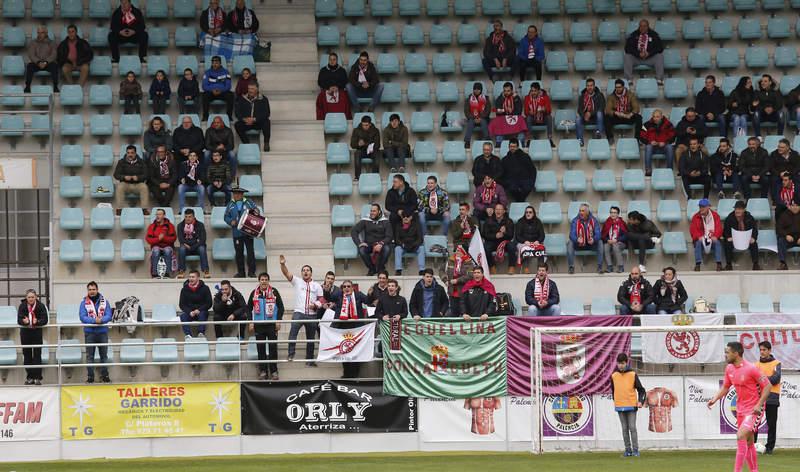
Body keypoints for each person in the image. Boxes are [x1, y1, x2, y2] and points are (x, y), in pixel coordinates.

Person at [707, 342, 771, 472]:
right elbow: (725, 387)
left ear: (736, 353)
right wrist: (714, 398)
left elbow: (768, 386)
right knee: (749, 442)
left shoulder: (751, 368)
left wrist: (759, 405)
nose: (725, 355)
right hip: (740, 409)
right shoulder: (729, 369)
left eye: (727, 352)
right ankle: (754, 470)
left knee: (740, 435)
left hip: (754, 410)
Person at [279, 255, 324, 366]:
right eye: (303, 270)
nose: (305, 272)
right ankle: (291, 354)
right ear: (301, 273)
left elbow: (321, 300)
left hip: (312, 315)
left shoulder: (317, 285)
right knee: (293, 333)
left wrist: (315, 305)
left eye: (307, 270)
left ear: (311, 273)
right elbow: (286, 274)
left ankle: (310, 360)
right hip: (299, 313)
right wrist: (282, 264)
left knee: (311, 339)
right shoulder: (297, 281)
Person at [247, 273, 284, 380]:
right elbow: (248, 308)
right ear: (259, 281)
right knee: (261, 349)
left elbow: (281, 308)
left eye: (266, 279)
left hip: (271, 325)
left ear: (268, 281)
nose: (264, 281)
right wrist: (251, 322)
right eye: (262, 279)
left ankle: (274, 371)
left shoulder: (274, 292)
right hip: (259, 325)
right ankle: (263, 371)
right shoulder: (254, 293)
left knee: (273, 348)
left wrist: (278, 321)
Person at [330, 279, 369, 378]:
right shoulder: (339, 295)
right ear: (342, 288)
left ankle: (355, 375)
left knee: (356, 351)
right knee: (344, 351)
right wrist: (328, 288)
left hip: (356, 328)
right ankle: (346, 374)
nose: (346, 288)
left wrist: (370, 294)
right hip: (342, 328)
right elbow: (329, 297)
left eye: (348, 286)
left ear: (352, 288)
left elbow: (368, 300)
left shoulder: (358, 295)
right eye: (344, 287)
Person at [611, 353, 647, 458]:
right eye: (619, 363)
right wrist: (616, 400)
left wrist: (640, 401)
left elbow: (641, 390)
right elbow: (613, 391)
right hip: (619, 406)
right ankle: (628, 450)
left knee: (632, 427)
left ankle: (636, 450)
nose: (620, 365)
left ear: (626, 363)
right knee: (624, 428)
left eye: (622, 363)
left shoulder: (632, 374)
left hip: (631, 405)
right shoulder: (614, 375)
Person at [79, 282, 113, 383]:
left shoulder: (105, 302)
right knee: (90, 357)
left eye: (93, 289)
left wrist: (101, 320)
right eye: (89, 290)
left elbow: (109, 315)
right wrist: (95, 321)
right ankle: (90, 377)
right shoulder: (83, 303)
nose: (92, 291)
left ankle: (105, 376)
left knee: (104, 356)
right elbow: (82, 317)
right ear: (87, 291)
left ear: (97, 290)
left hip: (102, 332)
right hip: (90, 333)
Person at [223, 186, 258, 278]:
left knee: (250, 252)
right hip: (237, 233)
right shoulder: (230, 204)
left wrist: (256, 212)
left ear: (242, 194)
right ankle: (241, 273)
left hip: (248, 232)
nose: (236, 195)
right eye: (234, 194)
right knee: (239, 253)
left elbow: (256, 211)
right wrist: (231, 221)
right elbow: (226, 217)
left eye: (238, 194)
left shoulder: (249, 202)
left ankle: (251, 272)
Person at [754, 341, 781, 455]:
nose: (762, 352)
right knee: (754, 424)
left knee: (771, 424)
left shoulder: (776, 363)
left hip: (772, 397)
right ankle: (752, 446)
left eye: (764, 350)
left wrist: (761, 379)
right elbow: (753, 380)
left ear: (769, 350)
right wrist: (765, 379)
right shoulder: (756, 365)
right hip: (758, 398)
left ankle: (769, 448)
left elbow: (776, 379)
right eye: (760, 350)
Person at [351, 203, 393, 276]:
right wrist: (359, 243)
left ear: (379, 212)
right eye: (371, 211)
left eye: (374, 211)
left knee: (387, 249)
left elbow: (389, 236)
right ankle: (372, 269)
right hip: (369, 244)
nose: (371, 213)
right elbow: (354, 231)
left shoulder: (386, 222)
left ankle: (380, 268)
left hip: (382, 244)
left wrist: (381, 243)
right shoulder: (365, 220)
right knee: (361, 250)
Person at [17, 289, 48, 385]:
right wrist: (24, 322)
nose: (31, 299)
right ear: (26, 298)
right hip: (25, 333)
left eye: (32, 297)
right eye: (29, 297)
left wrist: (37, 322)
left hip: (37, 333)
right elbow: (19, 320)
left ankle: (37, 378)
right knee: (27, 355)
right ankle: (30, 377)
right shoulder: (22, 306)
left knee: (37, 355)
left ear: (36, 297)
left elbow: (45, 320)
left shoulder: (41, 306)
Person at [723, 200, 760, 271]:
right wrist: (728, 237)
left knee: (754, 244)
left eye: (739, 209)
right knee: (727, 243)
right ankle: (728, 264)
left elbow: (754, 230)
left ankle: (755, 264)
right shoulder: (729, 218)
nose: (737, 211)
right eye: (736, 209)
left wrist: (753, 238)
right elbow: (725, 231)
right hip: (734, 240)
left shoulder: (749, 218)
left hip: (746, 239)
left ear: (744, 209)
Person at [623, 19, 664, 83]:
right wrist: (638, 54)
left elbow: (660, 48)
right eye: (641, 26)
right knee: (627, 56)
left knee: (659, 56)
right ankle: (628, 79)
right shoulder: (633, 35)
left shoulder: (654, 35)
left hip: (650, 58)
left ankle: (659, 79)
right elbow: (627, 48)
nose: (643, 28)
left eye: (645, 26)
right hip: (637, 58)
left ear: (648, 26)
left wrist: (649, 53)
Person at [567, 203, 603, 274]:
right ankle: (571, 267)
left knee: (600, 242)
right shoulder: (575, 220)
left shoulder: (594, 220)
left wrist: (594, 239)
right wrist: (577, 239)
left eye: (583, 211)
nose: (581, 212)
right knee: (570, 243)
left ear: (587, 212)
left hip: (591, 244)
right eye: (580, 211)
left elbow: (598, 233)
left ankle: (599, 267)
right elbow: (571, 234)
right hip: (579, 244)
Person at [234, 83, 271, 152]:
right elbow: (237, 112)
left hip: (258, 122)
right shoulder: (242, 99)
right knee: (237, 125)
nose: (250, 90)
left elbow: (267, 113)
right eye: (249, 89)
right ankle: (247, 144)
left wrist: (255, 119)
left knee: (267, 122)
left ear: (257, 89)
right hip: (246, 122)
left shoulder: (263, 99)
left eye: (252, 89)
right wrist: (243, 119)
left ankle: (266, 143)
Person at [113, 145, 150, 213]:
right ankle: (119, 209)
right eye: (128, 153)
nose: (130, 154)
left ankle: (144, 209)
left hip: (138, 184)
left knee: (144, 187)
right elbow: (116, 175)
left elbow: (146, 175)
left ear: (135, 153)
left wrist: (138, 177)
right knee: (120, 186)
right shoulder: (121, 162)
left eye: (132, 153)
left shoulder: (141, 162)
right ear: (126, 153)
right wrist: (124, 177)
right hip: (126, 184)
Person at [604, 79, 642, 145]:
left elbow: (636, 108)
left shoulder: (630, 95)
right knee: (606, 117)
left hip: (628, 116)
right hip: (617, 116)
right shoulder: (611, 96)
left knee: (639, 117)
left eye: (619, 87)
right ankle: (610, 137)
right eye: (616, 87)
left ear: (623, 87)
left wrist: (631, 114)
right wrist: (616, 113)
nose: (618, 89)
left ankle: (637, 139)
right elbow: (607, 110)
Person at [690, 198, 723, 271]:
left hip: (712, 237)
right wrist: (698, 237)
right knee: (698, 243)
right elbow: (693, 229)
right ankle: (697, 265)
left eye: (703, 207)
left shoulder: (715, 215)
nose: (701, 208)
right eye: (700, 207)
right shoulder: (695, 217)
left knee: (717, 242)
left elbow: (719, 228)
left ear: (708, 207)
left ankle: (719, 264)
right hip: (701, 238)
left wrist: (715, 236)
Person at [639, 108, 675, 174]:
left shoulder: (668, 124)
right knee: (648, 147)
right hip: (653, 147)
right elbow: (641, 137)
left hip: (664, 146)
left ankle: (670, 170)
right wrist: (650, 142)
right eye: (654, 117)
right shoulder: (646, 124)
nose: (655, 118)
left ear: (661, 117)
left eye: (657, 117)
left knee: (669, 147)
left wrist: (665, 142)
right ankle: (648, 170)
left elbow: (673, 136)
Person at [482, 203, 515, 274]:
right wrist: (495, 236)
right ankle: (492, 267)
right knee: (485, 248)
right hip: (492, 242)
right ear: (494, 211)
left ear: (504, 211)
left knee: (512, 246)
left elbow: (511, 236)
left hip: (504, 242)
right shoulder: (488, 221)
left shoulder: (509, 221)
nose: (498, 211)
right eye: (496, 209)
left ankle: (511, 267)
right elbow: (484, 234)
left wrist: (505, 232)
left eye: (500, 209)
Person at [24, 26, 58, 93]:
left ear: (46, 33)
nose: (40, 34)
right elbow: (31, 54)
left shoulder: (52, 43)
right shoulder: (33, 42)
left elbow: (54, 54)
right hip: (37, 63)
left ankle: (55, 86)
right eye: (38, 33)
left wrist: (46, 62)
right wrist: (38, 62)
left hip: (48, 63)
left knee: (55, 66)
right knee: (29, 66)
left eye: (42, 33)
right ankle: (27, 86)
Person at [490, 82, 526, 146]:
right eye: (505, 91)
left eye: (508, 91)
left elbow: (519, 112)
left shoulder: (516, 98)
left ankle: (521, 144)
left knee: (521, 121)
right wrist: (505, 110)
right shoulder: (500, 98)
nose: (506, 92)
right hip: (503, 121)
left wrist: (511, 112)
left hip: (514, 120)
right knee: (498, 121)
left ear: (512, 91)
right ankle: (499, 144)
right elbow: (497, 112)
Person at [177, 208, 210, 278]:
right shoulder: (180, 225)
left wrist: (192, 246)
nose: (187, 219)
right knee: (181, 249)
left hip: (197, 247)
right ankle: (181, 271)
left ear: (194, 217)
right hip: (186, 248)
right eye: (186, 217)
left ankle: (206, 271)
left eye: (189, 217)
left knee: (202, 248)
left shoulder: (200, 225)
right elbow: (181, 239)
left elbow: (202, 240)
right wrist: (195, 241)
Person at [178, 271, 212, 338]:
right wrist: (189, 312)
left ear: (198, 278)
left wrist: (199, 310)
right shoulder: (184, 289)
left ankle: (201, 333)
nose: (191, 279)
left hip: (201, 311)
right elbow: (182, 304)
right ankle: (188, 335)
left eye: (193, 277)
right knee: (183, 316)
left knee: (202, 314)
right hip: (190, 312)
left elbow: (209, 303)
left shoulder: (205, 288)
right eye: (190, 277)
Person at [513, 205, 546, 273]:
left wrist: (538, 241)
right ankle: (526, 268)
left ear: (533, 214)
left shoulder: (538, 222)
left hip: (535, 243)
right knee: (526, 248)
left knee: (541, 248)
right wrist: (524, 241)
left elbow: (542, 235)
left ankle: (541, 269)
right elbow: (517, 236)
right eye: (526, 212)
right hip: (523, 243)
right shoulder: (520, 222)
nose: (528, 214)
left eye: (530, 212)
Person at [145, 208, 176, 278]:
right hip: (156, 246)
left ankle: (167, 273)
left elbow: (173, 239)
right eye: (156, 214)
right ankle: (155, 274)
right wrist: (158, 239)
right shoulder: (152, 226)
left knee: (167, 251)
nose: (157, 216)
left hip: (168, 246)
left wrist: (163, 238)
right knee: (156, 251)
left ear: (164, 216)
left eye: (159, 214)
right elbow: (148, 239)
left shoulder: (170, 226)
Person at [202, 56, 234, 121]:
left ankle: (229, 116)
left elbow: (228, 85)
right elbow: (204, 86)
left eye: (216, 62)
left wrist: (221, 91)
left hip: (222, 93)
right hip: (211, 93)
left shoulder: (226, 72)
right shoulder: (207, 72)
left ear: (220, 63)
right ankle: (205, 116)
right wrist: (212, 90)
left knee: (231, 95)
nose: (214, 64)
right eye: (213, 62)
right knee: (204, 95)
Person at [576, 78, 605, 146]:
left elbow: (601, 107)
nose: (589, 87)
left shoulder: (600, 95)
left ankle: (598, 133)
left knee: (600, 113)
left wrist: (590, 113)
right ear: (586, 86)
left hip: (596, 118)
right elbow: (579, 109)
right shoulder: (582, 96)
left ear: (594, 86)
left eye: (591, 85)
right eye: (588, 86)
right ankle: (580, 140)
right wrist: (584, 116)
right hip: (585, 118)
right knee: (577, 119)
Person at [523, 82, 554, 147]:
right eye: (532, 91)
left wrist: (544, 109)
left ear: (539, 91)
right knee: (528, 118)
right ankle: (529, 140)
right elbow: (525, 112)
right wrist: (529, 112)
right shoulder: (527, 98)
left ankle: (550, 139)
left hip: (542, 118)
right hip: (532, 118)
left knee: (549, 117)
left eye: (535, 91)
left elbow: (549, 111)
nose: (533, 93)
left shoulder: (545, 97)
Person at [350, 114, 380, 180]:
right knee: (357, 153)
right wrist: (358, 144)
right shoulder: (356, 130)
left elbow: (377, 145)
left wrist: (365, 144)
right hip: (361, 150)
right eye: (363, 125)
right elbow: (352, 145)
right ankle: (357, 177)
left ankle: (376, 176)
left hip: (372, 150)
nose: (364, 126)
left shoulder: (375, 130)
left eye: (366, 125)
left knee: (377, 153)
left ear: (370, 124)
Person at [464, 82, 491, 149]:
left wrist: (481, 117)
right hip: (472, 118)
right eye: (475, 89)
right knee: (470, 122)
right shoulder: (469, 99)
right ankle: (467, 141)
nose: (476, 90)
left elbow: (488, 110)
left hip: (483, 118)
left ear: (481, 90)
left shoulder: (486, 99)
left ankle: (487, 139)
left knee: (484, 122)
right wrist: (474, 117)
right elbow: (466, 111)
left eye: (478, 89)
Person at [602, 206, 628, 273]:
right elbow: (603, 235)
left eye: (614, 212)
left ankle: (620, 267)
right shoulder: (607, 222)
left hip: (620, 243)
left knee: (615, 245)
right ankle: (609, 267)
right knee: (605, 246)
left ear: (618, 214)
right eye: (611, 212)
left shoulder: (622, 223)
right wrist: (607, 240)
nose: (612, 214)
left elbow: (626, 235)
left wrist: (617, 240)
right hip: (610, 242)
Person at [776, 201, 800, 270]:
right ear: (790, 206)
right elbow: (778, 228)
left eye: (797, 205)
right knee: (780, 240)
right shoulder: (784, 215)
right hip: (789, 238)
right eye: (793, 205)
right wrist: (786, 235)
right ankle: (783, 263)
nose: (795, 207)